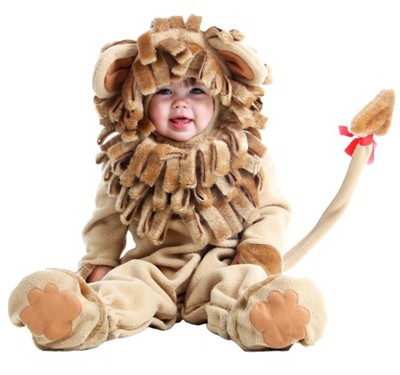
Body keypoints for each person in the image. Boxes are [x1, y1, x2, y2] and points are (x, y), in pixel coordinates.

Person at [8, 15, 326, 351]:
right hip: (153, 266)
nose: (180, 102)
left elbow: (271, 209)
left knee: (241, 284)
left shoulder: (244, 155)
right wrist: (101, 261)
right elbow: (108, 217)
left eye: (196, 89)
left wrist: (257, 251)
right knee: (126, 287)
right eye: (163, 90)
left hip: (222, 262)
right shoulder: (129, 161)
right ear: (138, 100)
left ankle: (262, 318)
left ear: (222, 96)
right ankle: (83, 316)